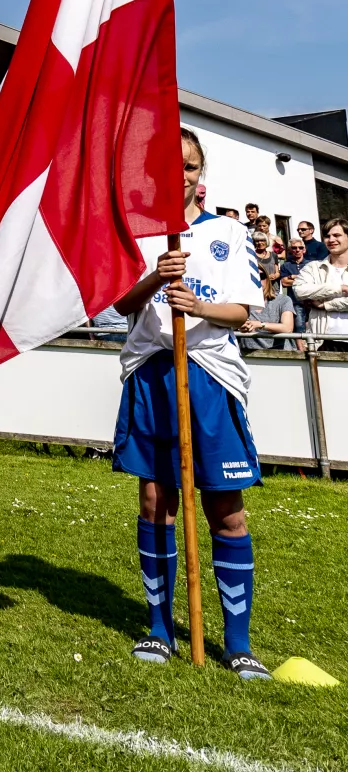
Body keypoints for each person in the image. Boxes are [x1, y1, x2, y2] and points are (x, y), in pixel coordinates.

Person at [110, 127, 269, 679]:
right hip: (152, 373)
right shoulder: (133, 231)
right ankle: (158, 628)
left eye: (190, 166)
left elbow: (244, 310)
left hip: (209, 377)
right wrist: (158, 274)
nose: (181, 174)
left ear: (201, 175)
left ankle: (238, 642)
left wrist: (199, 306)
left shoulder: (230, 232)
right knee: (156, 503)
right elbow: (119, 303)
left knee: (226, 509)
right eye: (169, 164)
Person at [293, 218, 348, 350]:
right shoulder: (313, 268)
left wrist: (326, 305)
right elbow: (299, 290)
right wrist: (340, 288)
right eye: (327, 236)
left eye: (337, 235)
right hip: (323, 342)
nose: (331, 240)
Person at [239, 268, 296, 352]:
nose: (257, 280)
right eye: (252, 277)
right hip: (248, 355)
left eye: (261, 276)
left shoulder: (283, 300)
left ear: (267, 280)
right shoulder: (239, 303)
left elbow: (288, 328)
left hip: (281, 354)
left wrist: (260, 325)